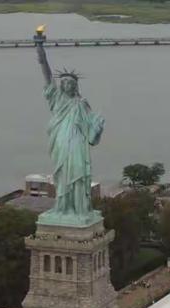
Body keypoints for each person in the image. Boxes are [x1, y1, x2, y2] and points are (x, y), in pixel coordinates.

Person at [36, 38, 105, 223]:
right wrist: (41, 51)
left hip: (77, 142)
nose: (66, 85)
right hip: (60, 140)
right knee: (61, 174)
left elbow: (91, 133)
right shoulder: (57, 99)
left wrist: (97, 127)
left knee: (77, 171)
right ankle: (62, 207)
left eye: (70, 83)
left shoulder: (82, 103)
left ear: (75, 86)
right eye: (64, 82)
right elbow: (47, 76)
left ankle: (79, 209)